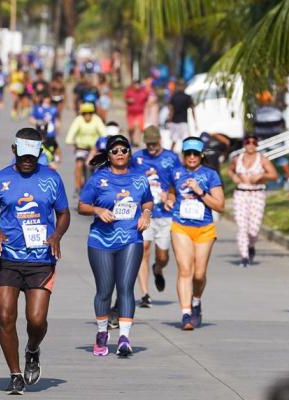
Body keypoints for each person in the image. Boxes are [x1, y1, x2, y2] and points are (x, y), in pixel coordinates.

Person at [0, 128, 70, 394]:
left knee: (36, 320)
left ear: (40, 152)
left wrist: (57, 234)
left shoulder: (51, 179)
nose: (28, 160)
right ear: (14, 151)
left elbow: (63, 213)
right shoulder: (1, 179)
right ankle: (15, 373)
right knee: (5, 316)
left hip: (41, 259)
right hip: (6, 258)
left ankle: (32, 349)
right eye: (23, 155)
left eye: (33, 155)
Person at [78, 135, 153, 357]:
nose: (120, 154)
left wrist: (146, 214)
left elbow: (147, 200)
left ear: (130, 153)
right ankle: (102, 333)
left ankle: (124, 337)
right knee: (104, 290)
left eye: (124, 150)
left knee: (126, 288)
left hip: (130, 238)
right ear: (108, 156)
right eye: (115, 151)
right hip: (101, 240)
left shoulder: (139, 179)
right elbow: (82, 205)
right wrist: (97, 211)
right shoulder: (98, 179)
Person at [164, 137, 224, 330]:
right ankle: (186, 313)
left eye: (195, 154)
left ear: (201, 155)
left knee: (199, 274)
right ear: (183, 154)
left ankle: (196, 301)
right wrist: (170, 198)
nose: (191, 157)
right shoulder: (175, 172)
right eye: (188, 153)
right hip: (180, 226)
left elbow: (220, 205)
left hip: (204, 228)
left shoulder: (210, 175)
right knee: (185, 270)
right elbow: (171, 191)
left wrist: (200, 192)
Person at [131, 126, 181, 307]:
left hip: (166, 213)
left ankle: (158, 269)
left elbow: (179, 181)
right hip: (145, 212)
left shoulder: (171, 158)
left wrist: (171, 195)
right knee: (143, 249)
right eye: (148, 143)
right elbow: (129, 180)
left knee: (162, 256)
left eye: (154, 143)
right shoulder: (137, 158)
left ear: (160, 141)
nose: (151, 146)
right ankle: (145, 294)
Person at [228, 134, 278, 267]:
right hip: (241, 193)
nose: (251, 145)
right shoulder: (237, 159)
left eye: (254, 142)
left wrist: (262, 174)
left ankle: (251, 245)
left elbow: (274, 175)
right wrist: (234, 177)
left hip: (257, 193)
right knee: (242, 226)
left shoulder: (262, 159)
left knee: (253, 229)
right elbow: (230, 170)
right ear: (244, 144)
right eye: (248, 142)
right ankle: (244, 256)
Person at [254, 91, 289, 188]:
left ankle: (266, 182)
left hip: (262, 141)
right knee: (282, 160)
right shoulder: (277, 112)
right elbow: (282, 125)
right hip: (276, 140)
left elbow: (255, 126)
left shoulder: (257, 113)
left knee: (262, 162)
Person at [65, 103, 106, 195]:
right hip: (81, 148)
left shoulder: (97, 120)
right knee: (78, 165)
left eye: (89, 113)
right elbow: (71, 132)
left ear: (93, 113)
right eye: (84, 113)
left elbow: (104, 133)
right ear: (81, 114)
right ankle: (77, 187)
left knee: (100, 166)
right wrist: (69, 141)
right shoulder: (78, 120)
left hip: (94, 149)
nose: (87, 115)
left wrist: (101, 145)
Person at [167, 80, 196, 150]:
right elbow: (192, 108)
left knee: (174, 140)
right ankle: (184, 154)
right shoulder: (187, 97)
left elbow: (171, 110)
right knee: (185, 140)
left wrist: (169, 120)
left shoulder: (173, 96)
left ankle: (171, 154)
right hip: (182, 122)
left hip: (176, 121)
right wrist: (195, 121)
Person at [124, 80, 149, 147]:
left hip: (140, 113)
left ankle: (137, 141)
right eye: (136, 84)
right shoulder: (130, 92)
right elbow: (125, 99)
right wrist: (128, 100)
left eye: (138, 84)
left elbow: (147, 101)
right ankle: (131, 140)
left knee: (138, 127)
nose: (137, 86)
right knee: (131, 128)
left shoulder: (144, 92)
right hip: (131, 113)